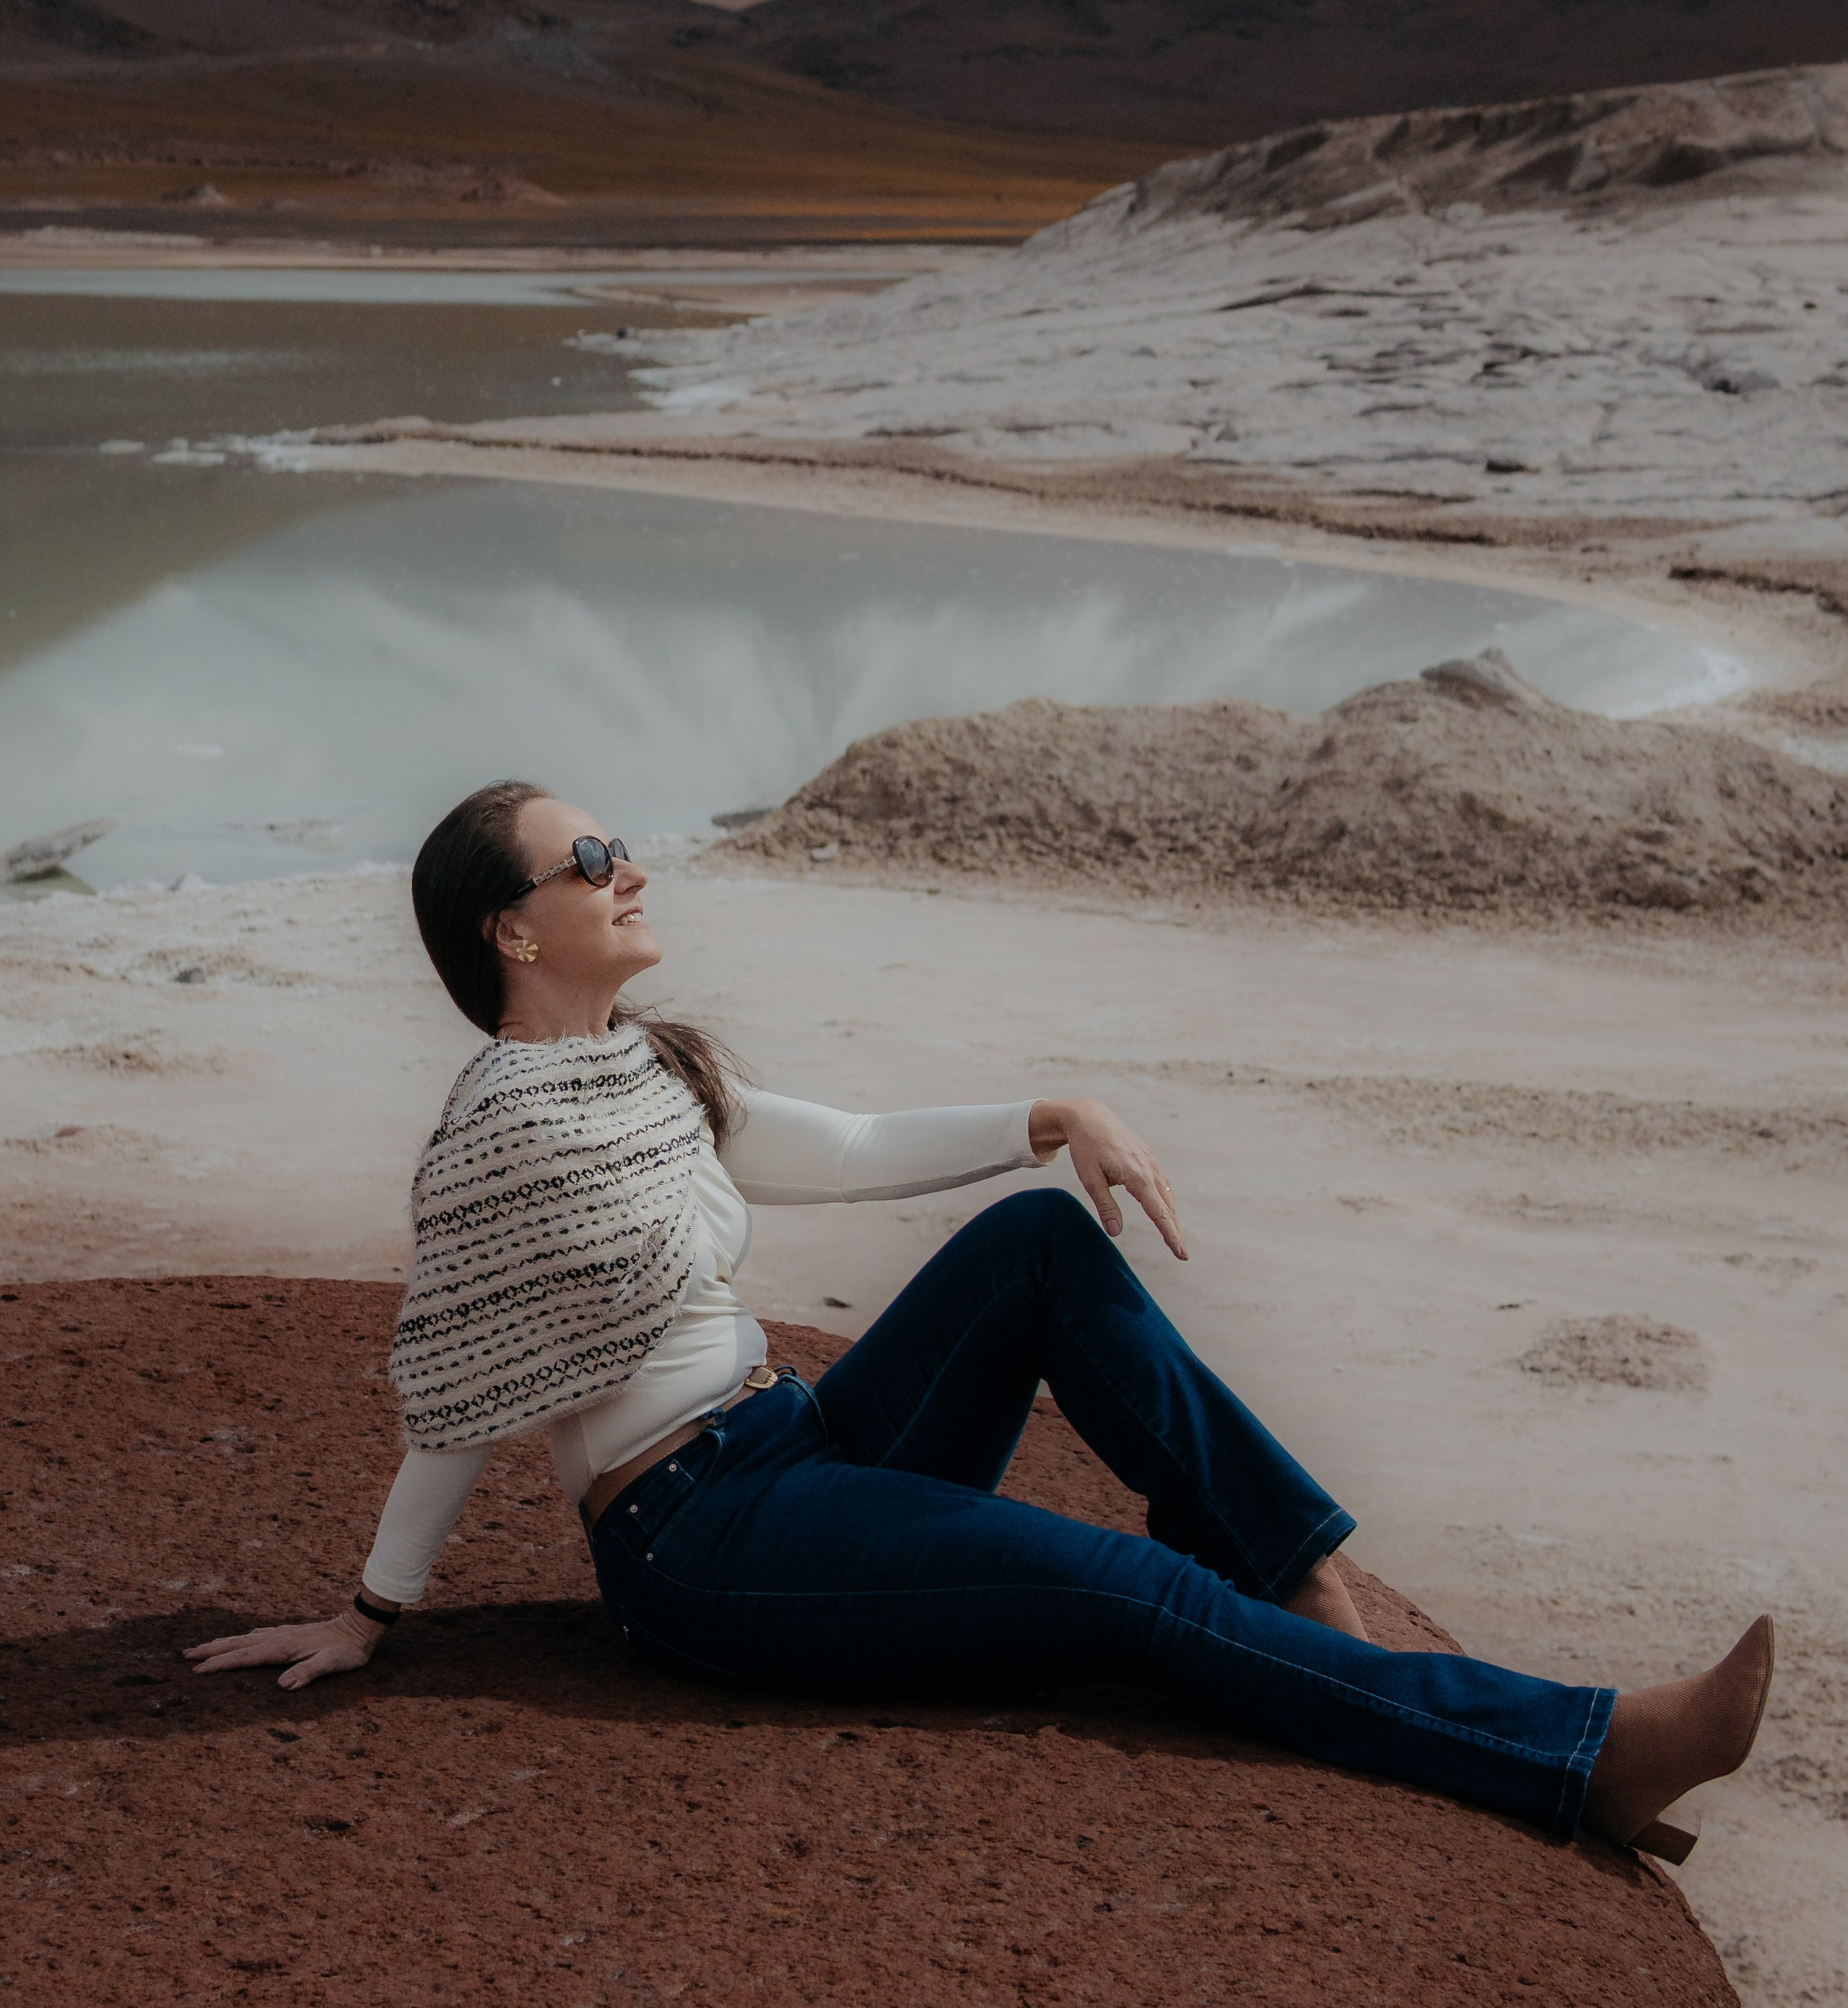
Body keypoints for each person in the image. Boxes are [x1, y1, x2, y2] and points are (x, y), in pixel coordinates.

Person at [189, 780, 1774, 1862]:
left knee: (1033, 1242)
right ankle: (1584, 1757)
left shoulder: (652, 1071)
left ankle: (1293, 1576)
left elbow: (852, 1148)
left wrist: (1050, 1113)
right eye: (592, 857)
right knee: (1133, 1597)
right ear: (512, 931)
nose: (630, 869)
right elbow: (456, 1393)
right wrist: (371, 1613)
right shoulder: (502, 1130)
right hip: (701, 1545)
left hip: (795, 1447)